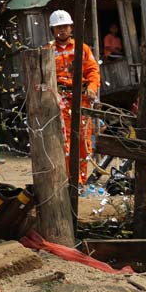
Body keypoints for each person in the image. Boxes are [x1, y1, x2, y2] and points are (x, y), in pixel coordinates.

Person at [47, 10, 100, 184]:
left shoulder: (82, 48)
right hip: (60, 100)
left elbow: (93, 71)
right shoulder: (47, 50)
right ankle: (72, 181)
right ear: (52, 30)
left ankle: (81, 183)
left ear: (71, 28)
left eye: (64, 26)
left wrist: (92, 88)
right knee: (66, 141)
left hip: (81, 98)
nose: (62, 30)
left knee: (84, 142)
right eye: (58, 27)